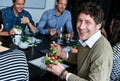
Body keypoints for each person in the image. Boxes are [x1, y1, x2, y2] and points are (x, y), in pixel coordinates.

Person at [46, 2, 113, 81]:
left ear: (98, 25)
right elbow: (82, 58)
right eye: (80, 21)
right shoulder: (87, 38)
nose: (81, 26)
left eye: (88, 22)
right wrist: (62, 53)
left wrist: (64, 73)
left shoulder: (102, 50)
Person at [107, 13, 120, 81]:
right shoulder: (116, 42)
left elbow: (106, 58)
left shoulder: (119, 46)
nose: (110, 26)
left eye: (112, 25)